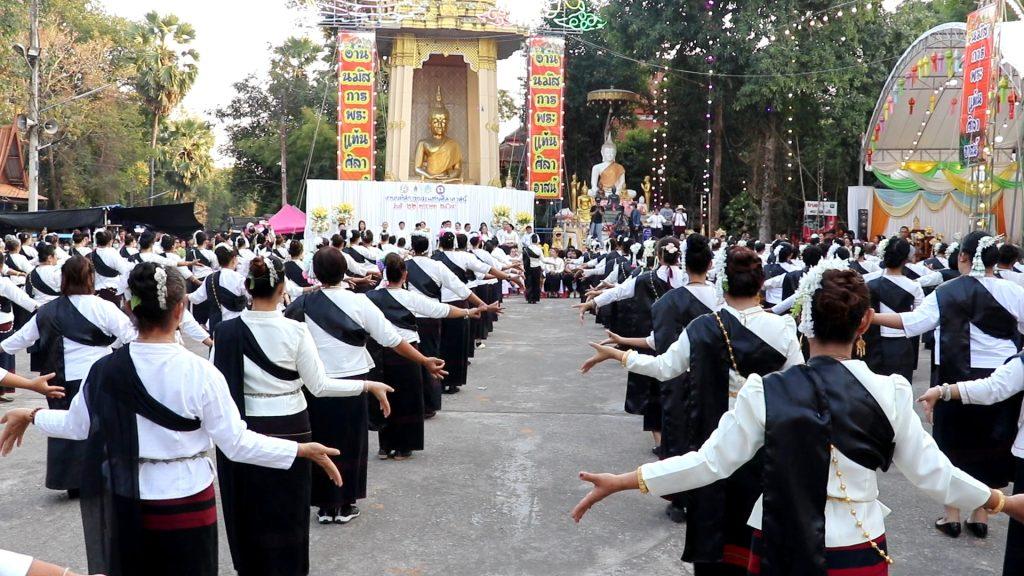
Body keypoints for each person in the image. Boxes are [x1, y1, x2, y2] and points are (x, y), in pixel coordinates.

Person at [571, 265, 1024, 576]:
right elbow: (934, 474)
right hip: (859, 545)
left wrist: (626, 479)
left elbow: (709, 464)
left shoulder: (765, 392)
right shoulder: (890, 392)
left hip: (779, 543)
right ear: (865, 323)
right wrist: (1002, 503)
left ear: (806, 324)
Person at [0, 262, 343, 576]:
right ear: (180, 310)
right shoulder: (201, 373)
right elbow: (236, 444)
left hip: (129, 499)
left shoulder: (104, 371)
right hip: (189, 497)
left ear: (128, 308)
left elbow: (77, 426)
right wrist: (298, 450)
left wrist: (31, 415)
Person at [579, 246, 803, 575]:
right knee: (760, 541)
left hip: (711, 446)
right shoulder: (783, 329)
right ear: (760, 286)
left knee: (715, 541)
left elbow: (664, 367)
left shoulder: (701, 328)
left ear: (723, 285)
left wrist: (619, 355)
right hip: (768, 449)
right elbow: (799, 387)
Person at [212, 255, 393, 575]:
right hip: (293, 425)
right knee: (289, 511)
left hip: (248, 427)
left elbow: (218, 390)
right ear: (282, 288)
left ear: (248, 289)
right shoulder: (295, 332)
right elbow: (320, 386)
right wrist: (365, 385)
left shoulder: (226, 333)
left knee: (253, 507)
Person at [871, 230, 1024, 538]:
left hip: (956, 377)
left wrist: (872, 317)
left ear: (963, 257)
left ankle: (951, 515)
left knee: (954, 446)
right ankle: (981, 515)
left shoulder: (946, 291)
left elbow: (911, 323)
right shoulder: (1016, 292)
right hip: (1005, 378)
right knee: (992, 445)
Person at [285, 248, 446, 525]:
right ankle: (344, 504)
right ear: (344, 271)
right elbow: (392, 339)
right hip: (356, 383)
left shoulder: (303, 304)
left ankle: (325, 505)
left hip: (315, 384)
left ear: (316, 273)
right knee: (350, 443)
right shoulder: (359, 303)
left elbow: (283, 338)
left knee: (321, 441)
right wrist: (424, 361)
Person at [2, 256, 137, 497]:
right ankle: (104, 476)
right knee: (100, 426)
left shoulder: (49, 310)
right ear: (90, 279)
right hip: (100, 374)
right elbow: (130, 336)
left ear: (63, 279)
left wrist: (2, 348)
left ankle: (71, 479)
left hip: (60, 377)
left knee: (65, 425)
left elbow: (22, 338)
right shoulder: (103, 307)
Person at [367, 254, 484, 459]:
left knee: (384, 397)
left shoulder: (370, 297)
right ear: (405, 275)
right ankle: (404, 447)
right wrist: (469, 312)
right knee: (407, 398)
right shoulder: (410, 298)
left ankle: (385, 446)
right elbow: (441, 310)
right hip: (409, 353)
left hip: (381, 353)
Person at [859, 237, 924, 381]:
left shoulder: (870, 284)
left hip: (873, 343)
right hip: (902, 344)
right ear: (906, 259)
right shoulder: (914, 287)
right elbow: (920, 318)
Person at [189, 245, 248, 333]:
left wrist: (185, 296)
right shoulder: (239, 278)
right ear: (234, 259)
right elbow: (251, 296)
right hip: (238, 323)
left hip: (216, 324)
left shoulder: (210, 278)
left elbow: (196, 298)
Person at [90, 230, 133, 306]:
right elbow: (124, 270)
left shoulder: (92, 254)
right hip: (112, 292)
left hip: (96, 291)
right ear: (110, 241)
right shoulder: (112, 252)